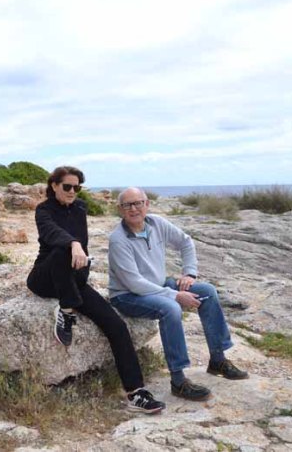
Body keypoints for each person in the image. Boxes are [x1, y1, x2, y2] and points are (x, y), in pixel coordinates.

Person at [27, 167, 165, 414]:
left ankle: (136, 393)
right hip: (44, 278)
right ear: (54, 185)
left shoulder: (80, 209)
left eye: (77, 187)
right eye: (67, 186)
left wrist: (80, 266)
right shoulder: (44, 210)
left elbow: (82, 253)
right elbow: (51, 234)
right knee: (61, 250)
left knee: (116, 325)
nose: (72, 191)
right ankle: (66, 310)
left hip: (71, 280)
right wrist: (73, 243)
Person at [108, 187, 248, 401]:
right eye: (127, 205)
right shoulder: (118, 239)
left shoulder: (157, 223)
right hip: (127, 295)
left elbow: (186, 242)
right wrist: (174, 295)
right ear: (120, 209)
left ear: (147, 204)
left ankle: (217, 360)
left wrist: (189, 273)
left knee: (207, 292)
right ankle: (178, 381)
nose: (133, 209)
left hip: (158, 285)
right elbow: (134, 283)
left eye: (138, 203)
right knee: (171, 309)